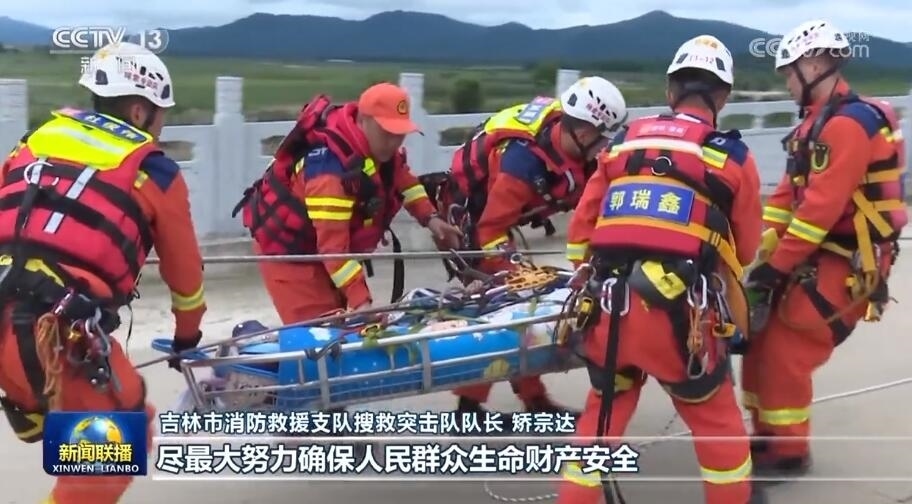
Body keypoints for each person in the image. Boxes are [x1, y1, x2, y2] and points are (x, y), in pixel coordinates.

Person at [557, 35, 767, 504]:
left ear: (671, 91)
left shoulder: (623, 142)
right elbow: (747, 248)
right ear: (723, 97)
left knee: (598, 425)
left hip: (608, 310)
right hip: (681, 320)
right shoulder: (732, 157)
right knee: (718, 428)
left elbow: (581, 232)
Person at [0, 42, 206, 504]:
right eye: (161, 114)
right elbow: (185, 275)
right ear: (139, 111)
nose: (161, 126)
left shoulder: (35, 140)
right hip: (55, 332)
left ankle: (36, 407)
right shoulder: (154, 171)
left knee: (64, 416)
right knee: (114, 444)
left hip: (6, 319)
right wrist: (187, 338)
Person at [742, 19, 907, 479]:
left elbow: (818, 211)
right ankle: (768, 436)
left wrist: (776, 268)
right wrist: (758, 256)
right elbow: (784, 199)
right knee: (758, 341)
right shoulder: (814, 126)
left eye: (790, 73)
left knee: (786, 347)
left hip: (845, 259)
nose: (787, 83)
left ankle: (790, 452)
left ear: (814, 65)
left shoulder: (846, 127)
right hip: (817, 254)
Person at [420, 76, 628, 419]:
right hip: (469, 222)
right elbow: (489, 232)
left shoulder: (577, 148)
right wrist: (516, 274)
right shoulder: (522, 163)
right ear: (583, 132)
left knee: (521, 309)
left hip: (496, 216)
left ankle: (531, 400)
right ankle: (471, 409)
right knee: (504, 309)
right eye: (603, 138)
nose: (605, 146)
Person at [233, 82, 462, 325]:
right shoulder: (329, 174)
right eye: (387, 133)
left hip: (326, 251)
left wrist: (431, 219)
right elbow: (333, 251)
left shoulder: (376, 148)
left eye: (400, 134)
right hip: (293, 257)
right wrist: (363, 303)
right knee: (321, 334)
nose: (394, 142)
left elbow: (404, 180)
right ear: (363, 119)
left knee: (340, 323)